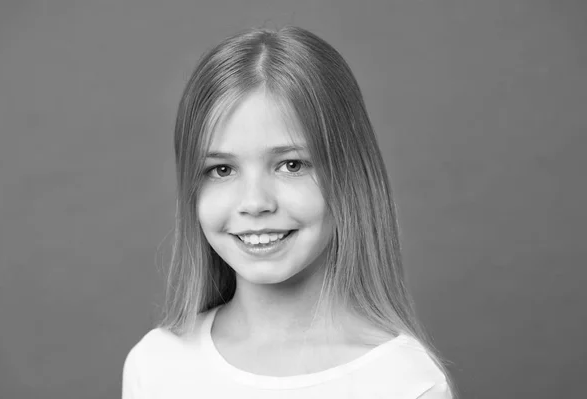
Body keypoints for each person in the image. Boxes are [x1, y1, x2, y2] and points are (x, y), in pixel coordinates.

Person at [122, 25, 456, 398]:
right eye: (222, 170)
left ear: (351, 175)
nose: (255, 202)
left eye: (291, 165)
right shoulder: (156, 366)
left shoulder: (404, 383)